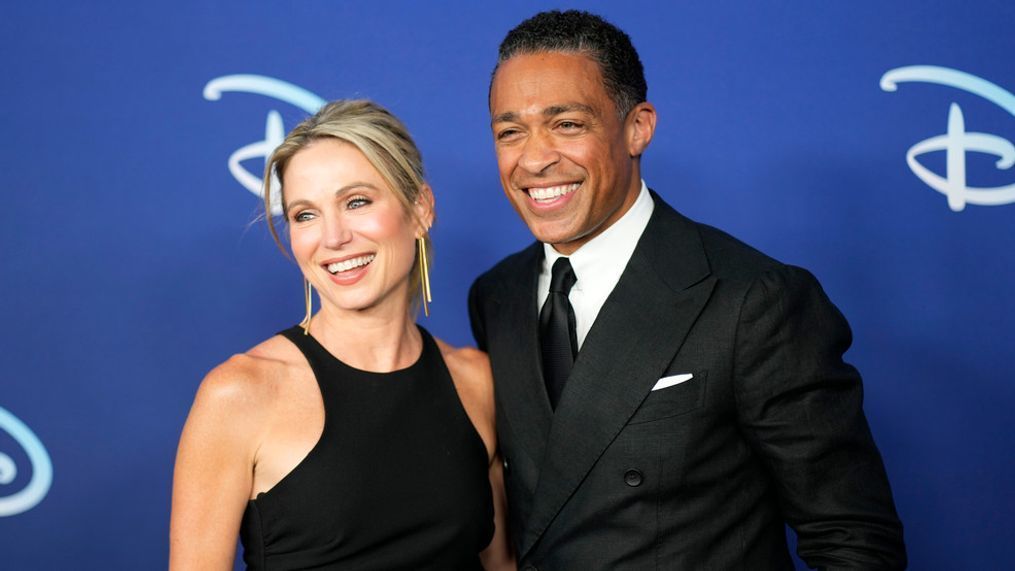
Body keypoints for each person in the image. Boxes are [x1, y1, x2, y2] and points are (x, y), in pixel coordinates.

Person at [468, 10, 906, 570]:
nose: (533, 158)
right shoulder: (497, 295)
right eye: (510, 132)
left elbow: (854, 541)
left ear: (638, 127)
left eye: (568, 124)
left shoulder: (754, 299)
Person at [171, 100, 512, 570]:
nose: (332, 238)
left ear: (420, 209)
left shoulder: (478, 382)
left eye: (356, 202)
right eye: (304, 215)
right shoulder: (240, 393)